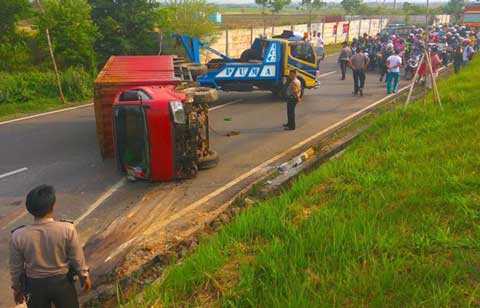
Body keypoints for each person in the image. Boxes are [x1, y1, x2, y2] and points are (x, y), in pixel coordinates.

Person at [9, 185, 91, 308]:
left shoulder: (18, 235)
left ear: (29, 209)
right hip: (62, 284)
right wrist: (84, 276)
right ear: (52, 207)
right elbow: (76, 257)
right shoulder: (67, 229)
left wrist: (17, 288)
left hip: (34, 287)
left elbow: (16, 268)